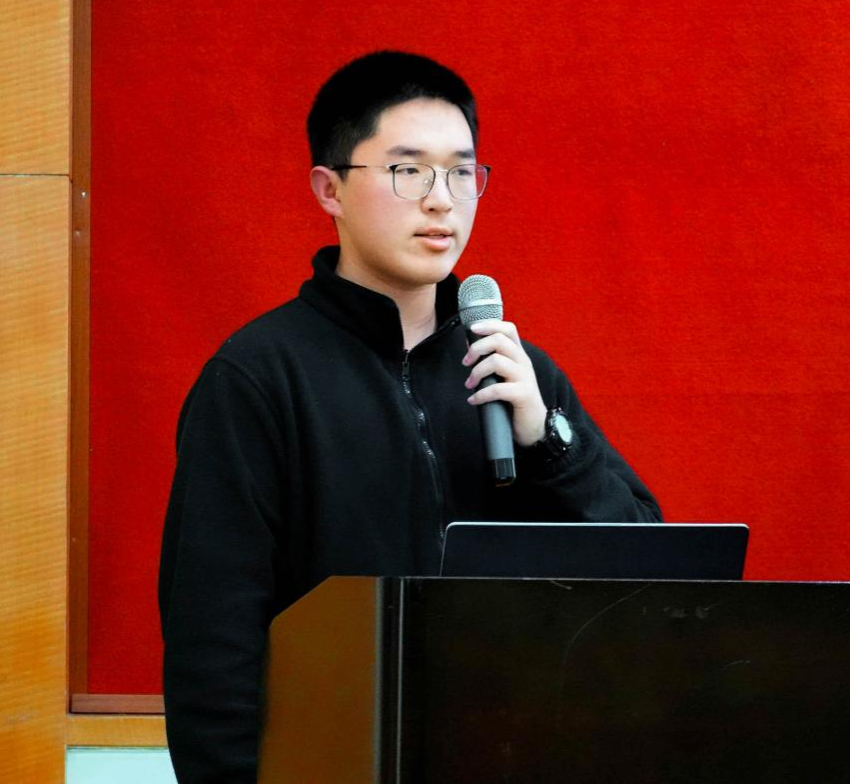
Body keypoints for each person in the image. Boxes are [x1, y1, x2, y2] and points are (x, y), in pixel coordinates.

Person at [158, 51, 662, 782]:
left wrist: (546, 441)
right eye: (407, 170)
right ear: (329, 189)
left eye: (461, 172)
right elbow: (213, 642)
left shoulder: (514, 371)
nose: (441, 201)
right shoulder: (258, 379)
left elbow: (652, 572)